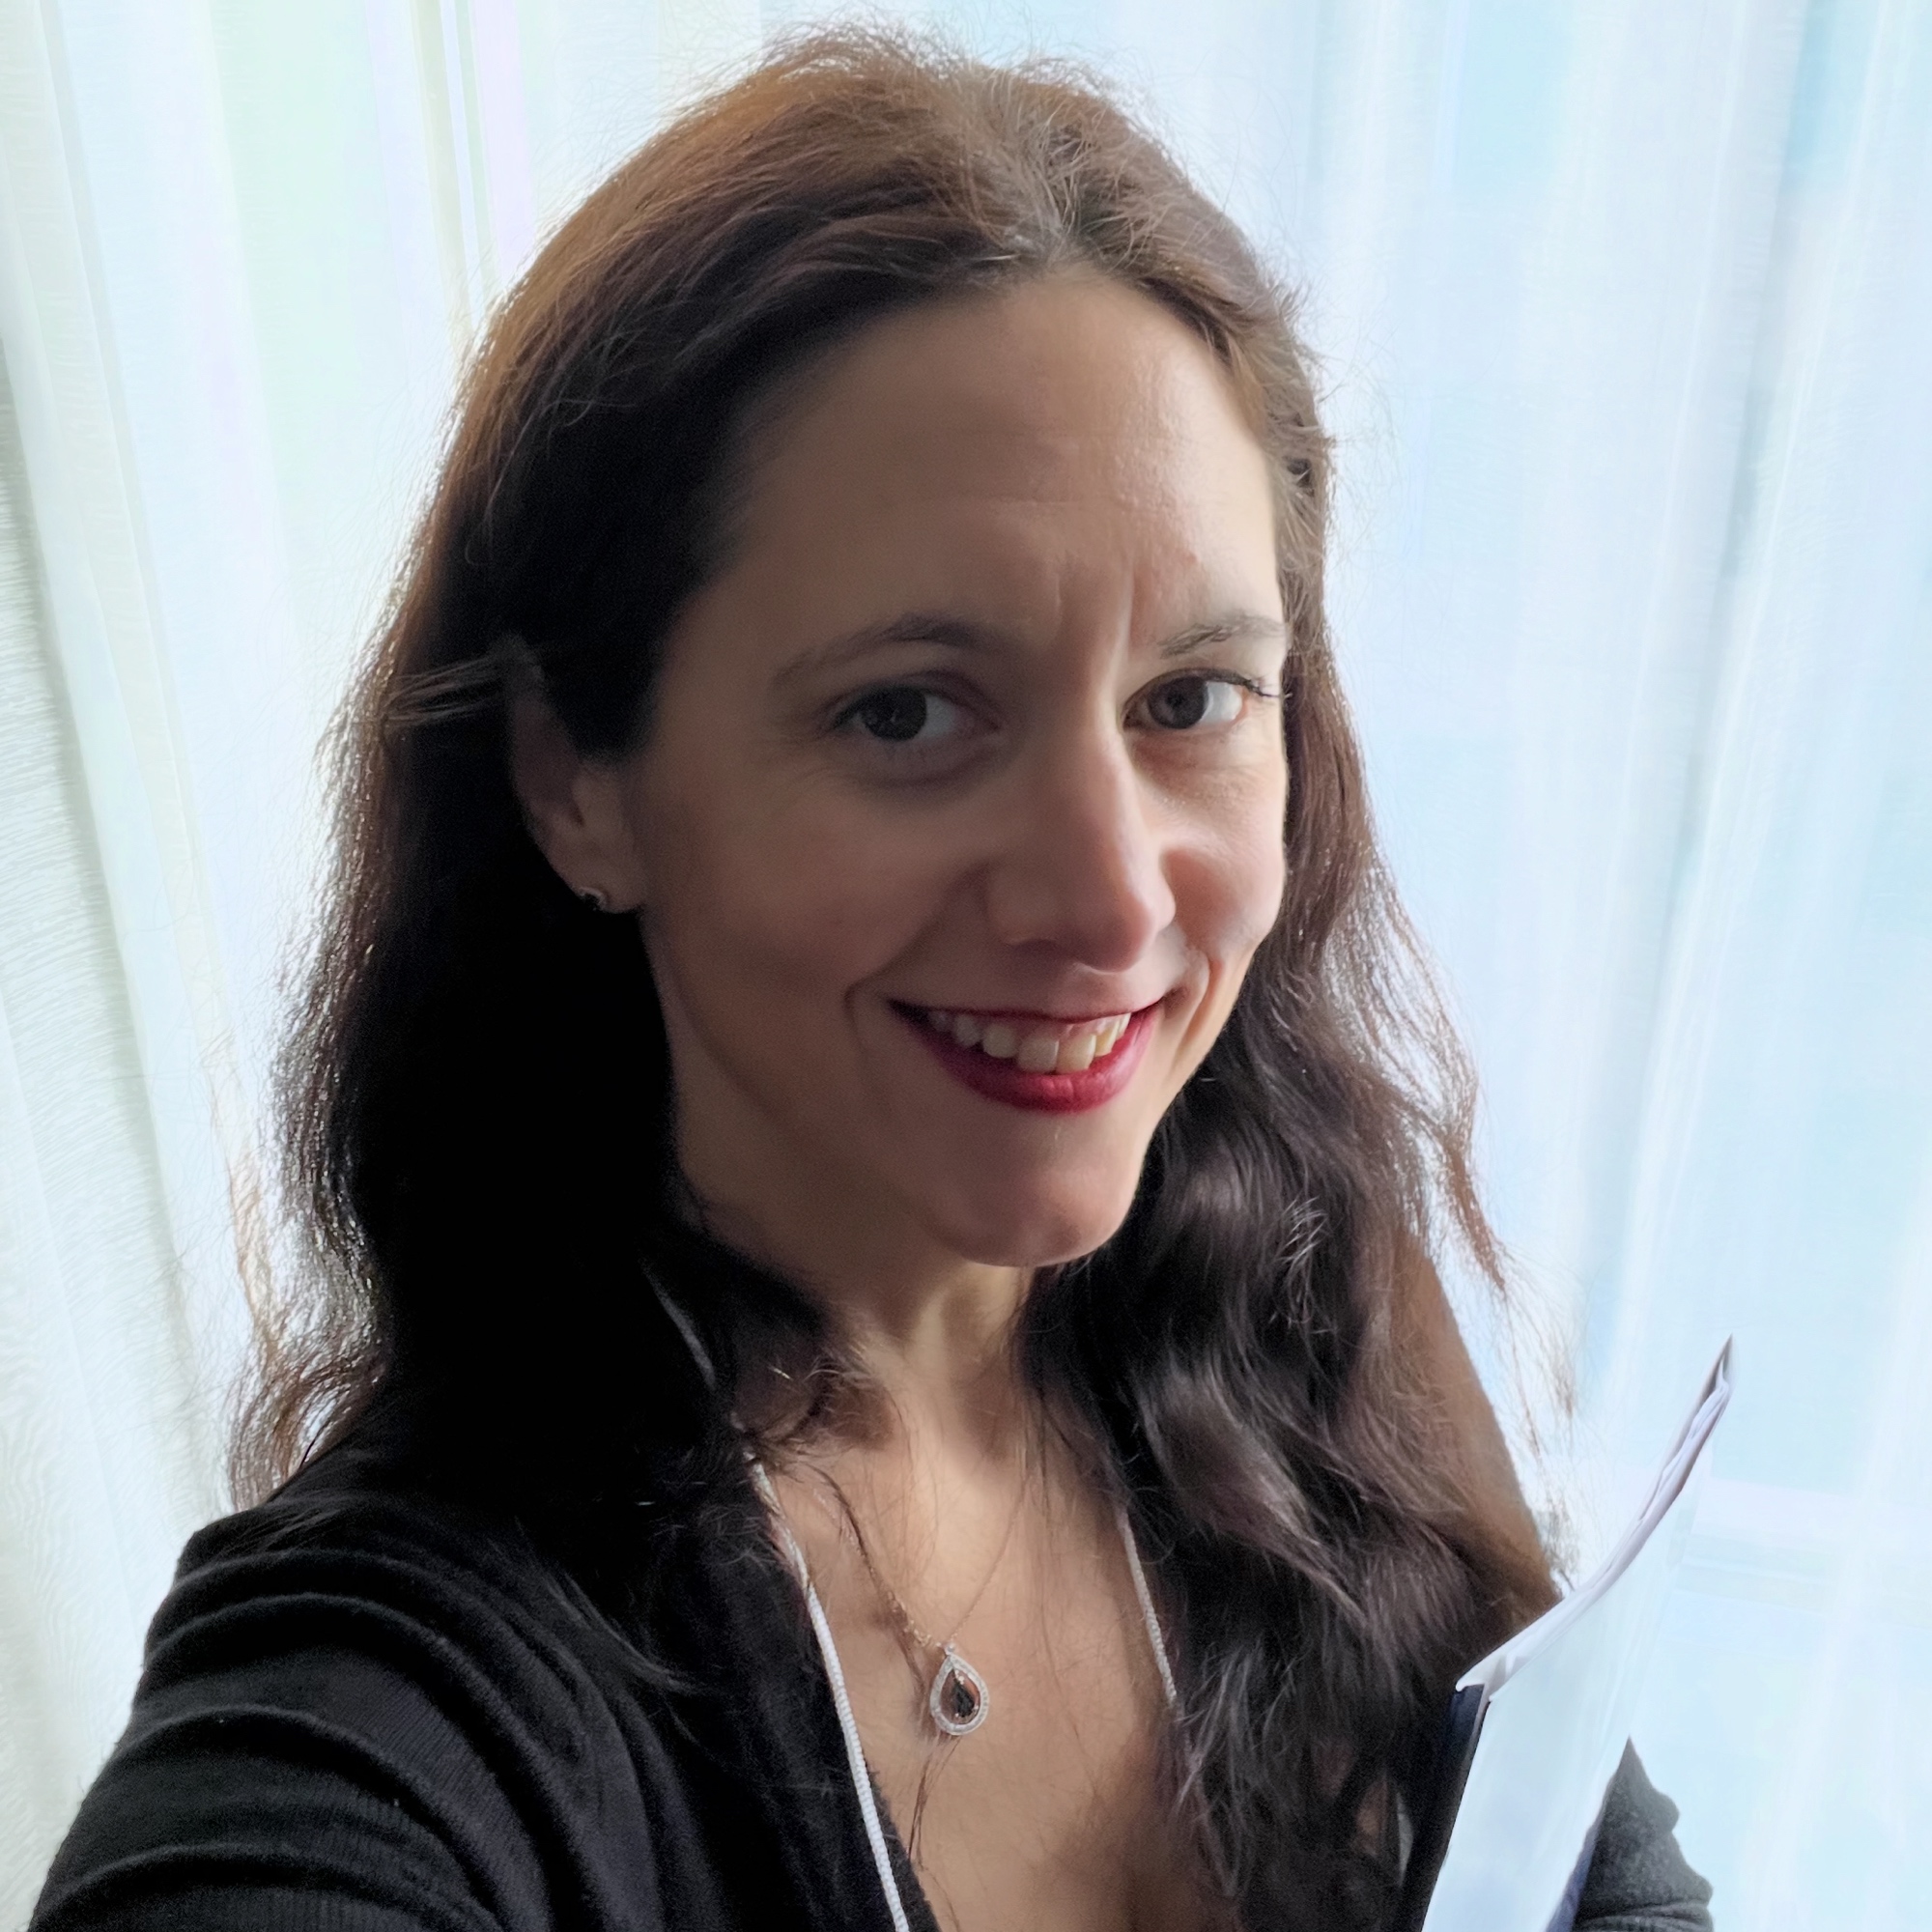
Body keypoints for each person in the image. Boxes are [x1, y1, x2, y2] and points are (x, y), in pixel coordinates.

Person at [31, 33, 1714, 1932]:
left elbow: (1595, 1871)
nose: (1109, 898)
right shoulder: (413, 1672)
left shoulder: (1308, 1290)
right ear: (574, 779)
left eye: (1188, 699)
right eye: (906, 714)